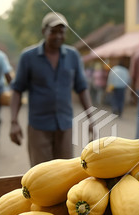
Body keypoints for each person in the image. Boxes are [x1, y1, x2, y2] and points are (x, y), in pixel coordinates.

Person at [10, 12, 93, 167]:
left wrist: (91, 118)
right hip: (39, 126)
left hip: (65, 125)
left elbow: (82, 88)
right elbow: (17, 90)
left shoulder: (73, 56)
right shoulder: (28, 57)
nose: (57, 36)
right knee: (40, 175)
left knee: (66, 173)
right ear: (44, 32)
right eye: (53, 31)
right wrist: (14, 122)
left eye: (61, 32)